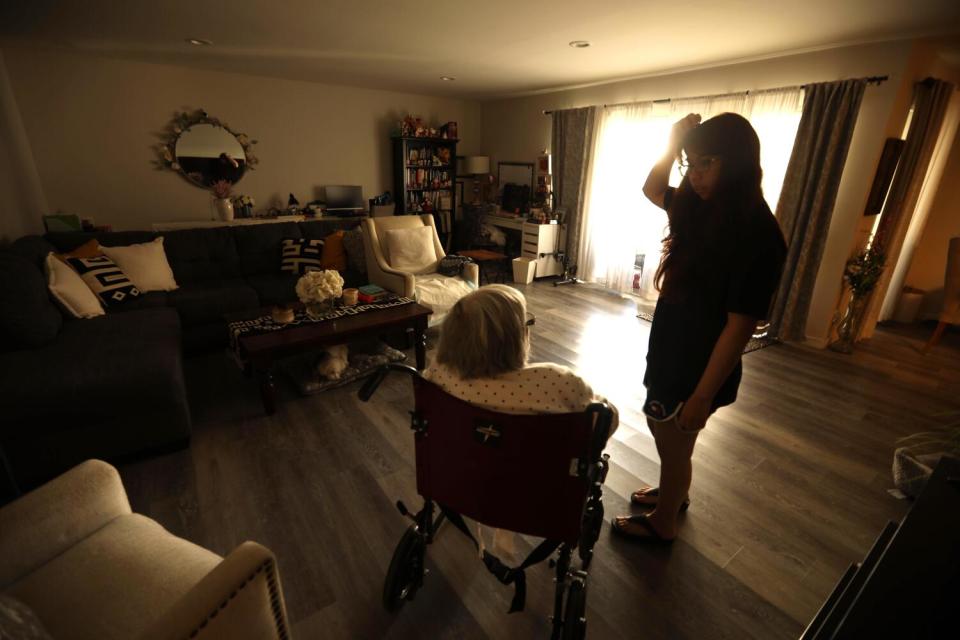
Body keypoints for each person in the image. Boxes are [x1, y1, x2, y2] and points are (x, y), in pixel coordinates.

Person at [612, 112, 787, 543]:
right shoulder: (699, 205)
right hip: (672, 340)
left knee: (674, 433)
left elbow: (739, 327)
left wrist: (702, 395)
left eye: (707, 162)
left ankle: (664, 521)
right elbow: (653, 189)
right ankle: (676, 491)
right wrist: (672, 145)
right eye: (691, 163)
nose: (696, 175)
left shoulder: (759, 233)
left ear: (739, 162)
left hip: (701, 358)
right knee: (666, 430)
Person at [424, 284, 618, 430]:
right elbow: (607, 421)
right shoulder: (559, 382)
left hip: (465, 473)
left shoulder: (439, 372)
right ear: (516, 337)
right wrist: (596, 397)